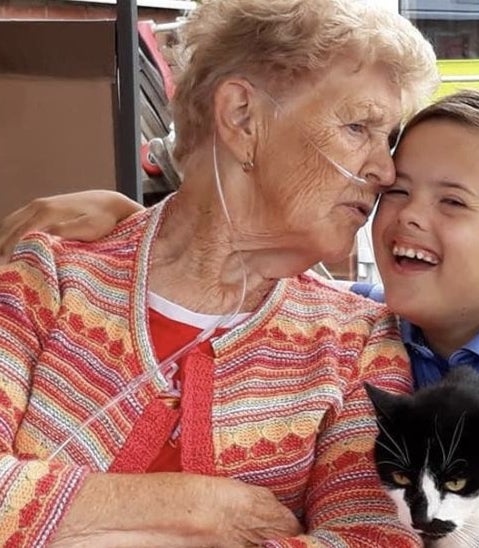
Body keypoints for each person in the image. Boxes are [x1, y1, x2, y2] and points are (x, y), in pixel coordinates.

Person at [11, 89, 479, 548]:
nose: (408, 215)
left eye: (451, 203)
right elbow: (252, 270)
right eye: (398, 191)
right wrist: (131, 218)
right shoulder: (376, 319)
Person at [0, 0, 440, 546]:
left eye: (389, 138)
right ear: (241, 117)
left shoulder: (358, 340)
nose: (385, 170)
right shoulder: (51, 277)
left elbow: (375, 537)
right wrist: (203, 510)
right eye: (359, 127)